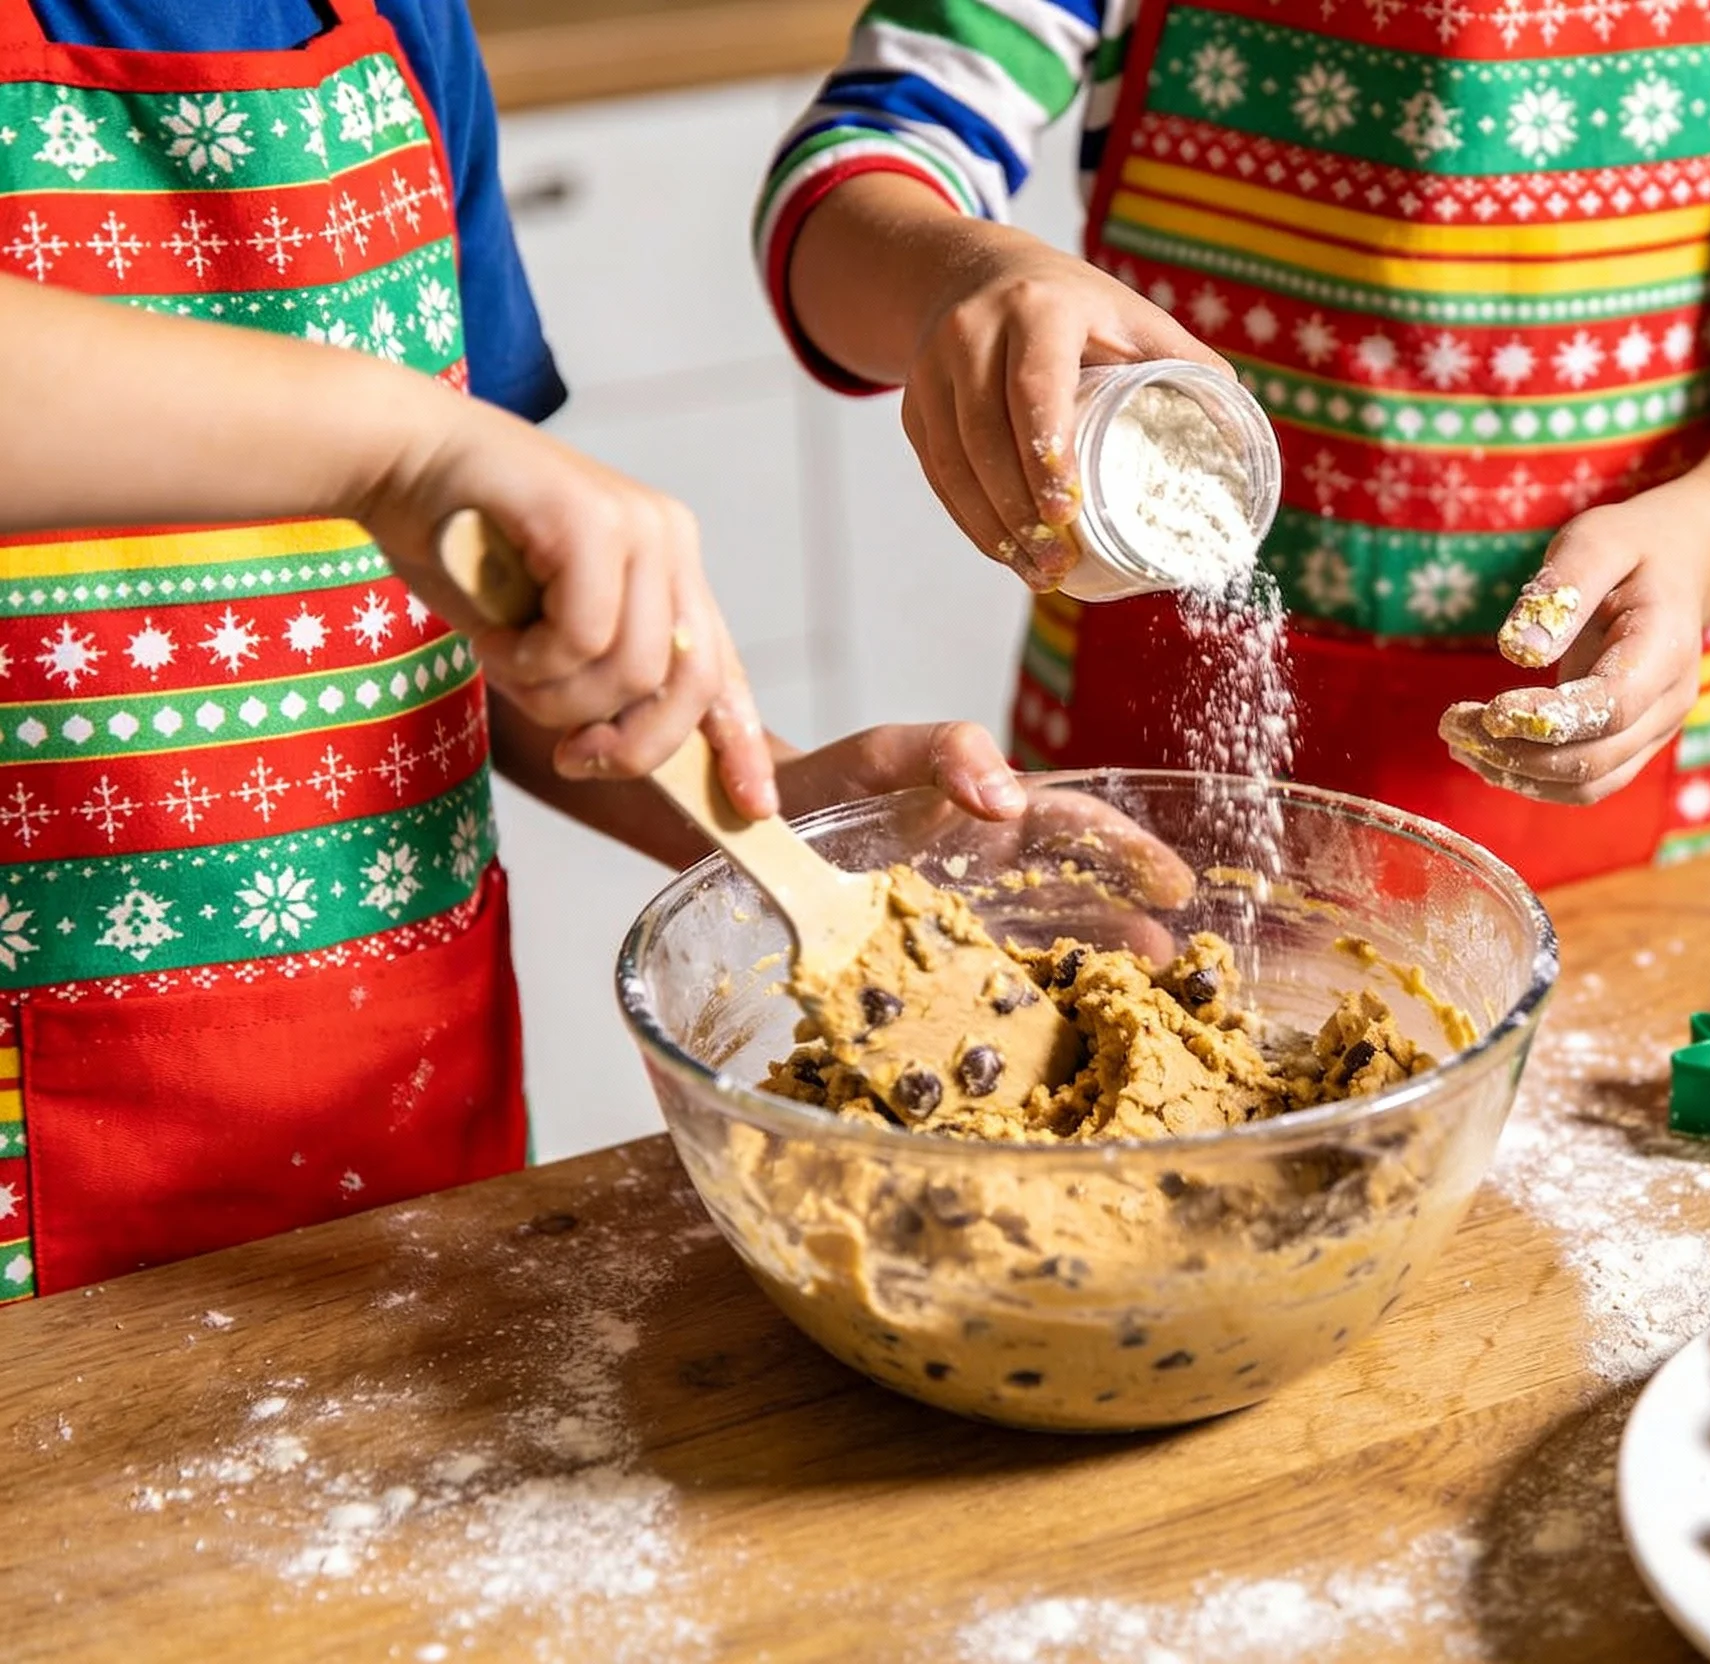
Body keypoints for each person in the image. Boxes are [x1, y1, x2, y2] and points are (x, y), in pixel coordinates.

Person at [0, 0, 1024, 1303]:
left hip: (412, 1150)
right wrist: (400, 443)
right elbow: (406, 463)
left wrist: (776, 818)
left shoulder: (402, 28)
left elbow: (459, 615)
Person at [755, 0, 1710, 887]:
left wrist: (1700, 543)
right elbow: (843, 186)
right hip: (1153, 771)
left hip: (1642, 796)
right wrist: (959, 280)